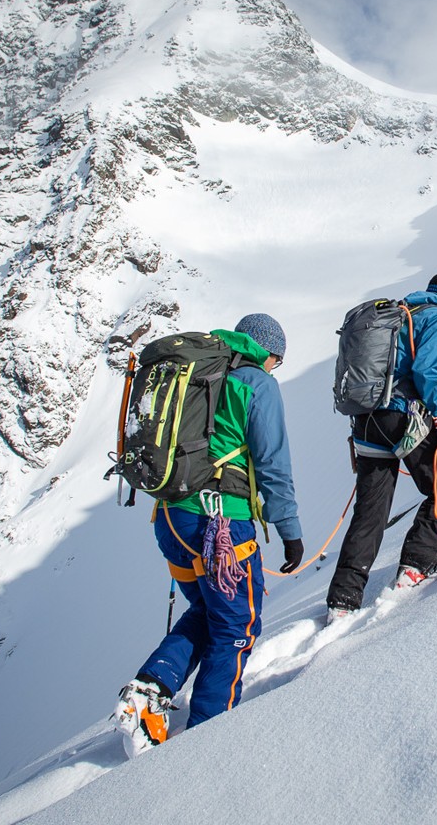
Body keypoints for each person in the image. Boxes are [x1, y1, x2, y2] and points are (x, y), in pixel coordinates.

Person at [117, 313, 303, 747]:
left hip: (170, 518)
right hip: (220, 525)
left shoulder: (197, 370)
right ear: (269, 351)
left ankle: (150, 691)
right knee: (238, 624)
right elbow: (273, 462)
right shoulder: (257, 382)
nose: (275, 367)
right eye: (278, 360)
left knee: (209, 611)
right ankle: (202, 746)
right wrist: (288, 528)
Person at [325, 271, 437, 620]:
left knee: (370, 511)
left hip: (365, 420)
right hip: (402, 419)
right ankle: (414, 568)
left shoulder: (399, 313)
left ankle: (342, 601)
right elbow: (426, 373)